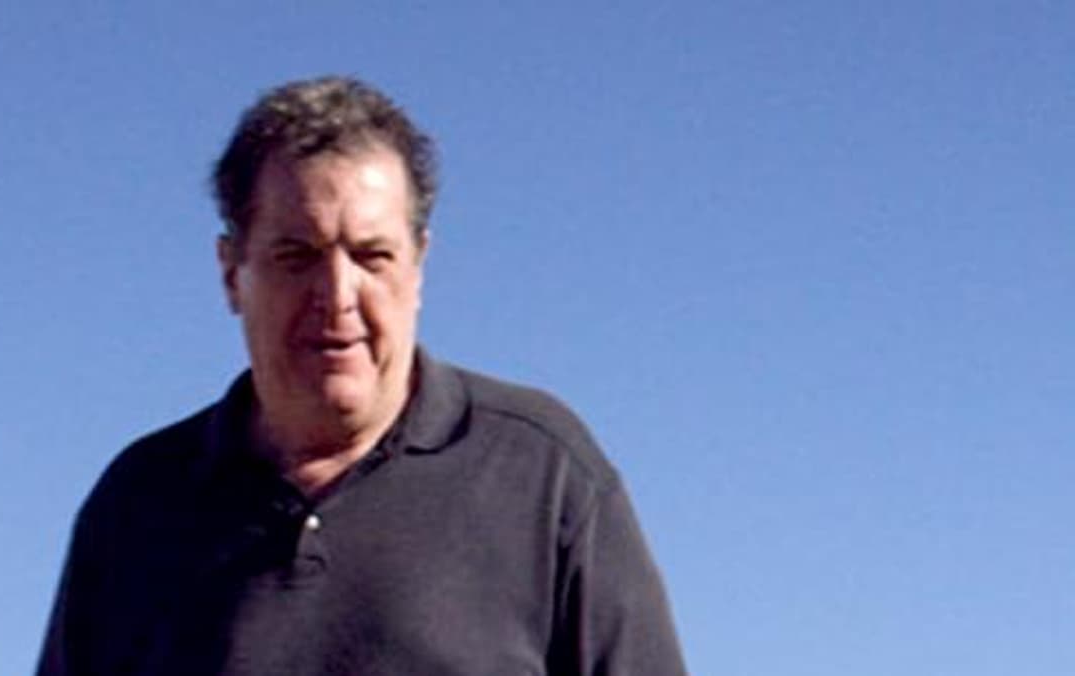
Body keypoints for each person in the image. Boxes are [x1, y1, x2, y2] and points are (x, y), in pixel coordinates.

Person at [37, 76, 686, 675]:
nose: (337, 296)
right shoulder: (137, 507)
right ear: (232, 272)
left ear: (418, 267)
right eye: (297, 256)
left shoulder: (542, 473)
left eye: (372, 256)